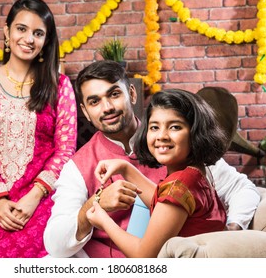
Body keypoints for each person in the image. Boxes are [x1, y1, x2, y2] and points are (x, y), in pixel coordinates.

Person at [43, 60, 260, 258]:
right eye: (94, 101)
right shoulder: (77, 166)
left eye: (114, 94)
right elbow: (55, 243)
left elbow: (243, 190)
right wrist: (95, 204)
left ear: (132, 94)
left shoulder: (178, 149)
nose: (107, 107)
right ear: (86, 112)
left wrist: (231, 234)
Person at [0, 0, 77, 258]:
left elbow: (65, 150)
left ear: (46, 41)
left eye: (38, 33)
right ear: (7, 32)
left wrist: (34, 197)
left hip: (44, 201)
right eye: (21, 29)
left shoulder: (59, 86)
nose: (29, 38)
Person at [86, 88, 228, 257]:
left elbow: (143, 256)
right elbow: (164, 202)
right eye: (154, 127)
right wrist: (125, 168)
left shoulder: (180, 185)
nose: (162, 136)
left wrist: (104, 222)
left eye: (175, 127)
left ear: (195, 132)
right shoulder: (195, 173)